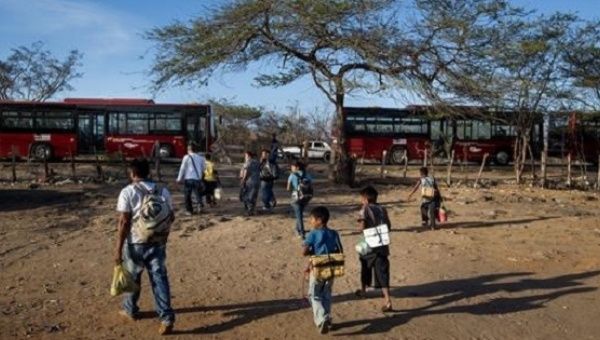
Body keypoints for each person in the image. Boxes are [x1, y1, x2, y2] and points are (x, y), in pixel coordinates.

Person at [114, 158, 175, 335]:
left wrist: (118, 248)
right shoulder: (163, 190)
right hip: (158, 243)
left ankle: (130, 309)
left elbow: (124, 222)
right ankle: (166, 317)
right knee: (159, 279)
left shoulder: (128, 191)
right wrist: (162, 236)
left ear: (132, 174)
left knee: (133, 277)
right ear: (148, 172)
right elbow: (171, 217)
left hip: (136, 243)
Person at [302, 206, 343, 334]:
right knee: (326, 293)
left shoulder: (313, 234)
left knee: (314, 294)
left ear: (319, 220)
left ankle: (322, 318)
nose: (311, 221)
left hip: (318, 265)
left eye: (312, 219)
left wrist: (308, 251)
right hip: (332, 265)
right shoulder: (334, 233)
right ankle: (327, 317)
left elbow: (304, 252)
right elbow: (340, 249)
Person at [356, 186, 393, 312]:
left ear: (365, 199)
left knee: (365, 267)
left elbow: (362, 227)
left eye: (361, 198)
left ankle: (363, 291)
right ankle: (388, 300)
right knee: (383, 272)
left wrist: (361, 229)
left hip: (368, 245)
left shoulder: (364, 209)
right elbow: (388, 226)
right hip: (382, 245)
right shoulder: (383, 209)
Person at [176, 143, 206, 215]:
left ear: (189, 149)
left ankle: (189, 210)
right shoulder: (201, 158)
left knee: (187, 195)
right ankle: (199, 206)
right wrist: (200, 176)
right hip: (197, 179)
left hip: (188, 178)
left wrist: (179, 178)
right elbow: (204, 168)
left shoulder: (186, 157)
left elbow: (182, 169)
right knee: (198, 194)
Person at [287, 161, 312, 239]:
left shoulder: (292, 175)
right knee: (300, 213)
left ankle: (301, 232)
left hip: (295, 197)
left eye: (292, 167)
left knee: (299, 215)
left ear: (297, 167)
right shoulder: (307, 174)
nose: (291, 168)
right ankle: (297, 229)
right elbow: (311, 184)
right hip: (305, 197)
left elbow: (288, 188)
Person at [240, 151, 261, 215]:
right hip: (257, 181)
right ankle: (252, 210)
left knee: (248, 196)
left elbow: (246, 171)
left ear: (249, 156)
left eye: (246, 156)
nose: (245, 157)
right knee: (254, 196)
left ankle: (249, 211)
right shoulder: (257, 162)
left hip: (250, 181)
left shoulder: (248, 162)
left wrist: (243, 179)